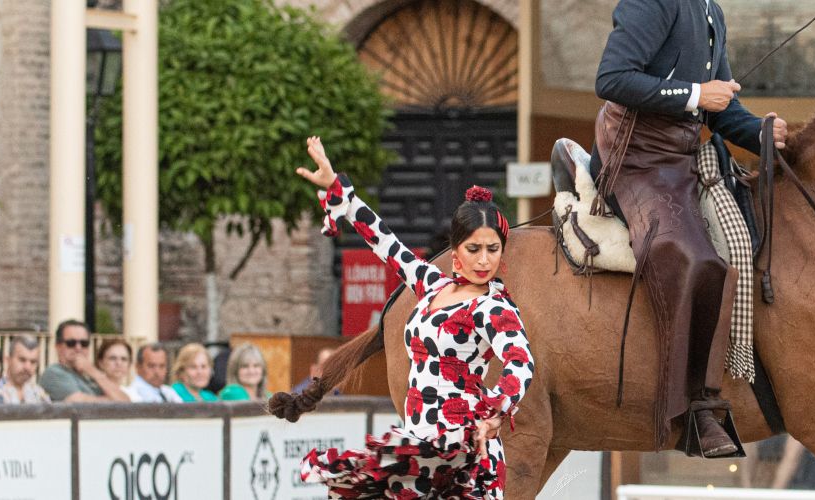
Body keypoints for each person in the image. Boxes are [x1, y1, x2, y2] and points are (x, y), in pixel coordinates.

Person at [588, 0, 786, 454]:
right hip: (633, 158)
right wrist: (696, 94)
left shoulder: (711, 10)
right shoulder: (651, 2)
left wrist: (760, 131)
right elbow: (612, 79)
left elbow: (720, 108)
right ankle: (698, 408)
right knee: (693, 255)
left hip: (682, 156)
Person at [292, 136, 535, 495]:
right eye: (474, 249)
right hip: (418, 444)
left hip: (463, 449)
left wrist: (495, 413)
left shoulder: (493, 307)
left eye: (493, 249)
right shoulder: (431, 284)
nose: (484, 260)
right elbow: (385, 243)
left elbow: (521, 362)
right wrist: (337, 188)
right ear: (456, 250)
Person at [38, 320, 132, 402]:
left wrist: (93, 372)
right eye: (71, 343)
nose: (78, 348)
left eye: (84, 343)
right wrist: (113, 400)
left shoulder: (89, 376)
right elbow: (79, 404)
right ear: (58, 347)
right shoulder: (54, 373)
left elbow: (126, 402)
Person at [0, 336, 49, 404]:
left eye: (33, 362)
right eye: (22, 360)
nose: (27, 367)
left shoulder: (39, 394)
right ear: (8, 360)